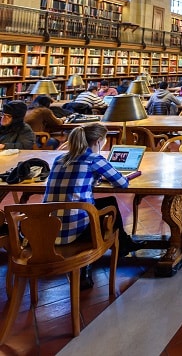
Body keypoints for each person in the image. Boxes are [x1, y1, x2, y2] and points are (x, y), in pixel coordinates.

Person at [43, 122, 139, 287]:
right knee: (110, 206)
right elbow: (122, 183)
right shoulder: (94, 158)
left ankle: (124, 244)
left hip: (48, 229)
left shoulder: (60, 158)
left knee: (108, 201)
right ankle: (122, 246)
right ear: (98, 141)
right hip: (77, 230)